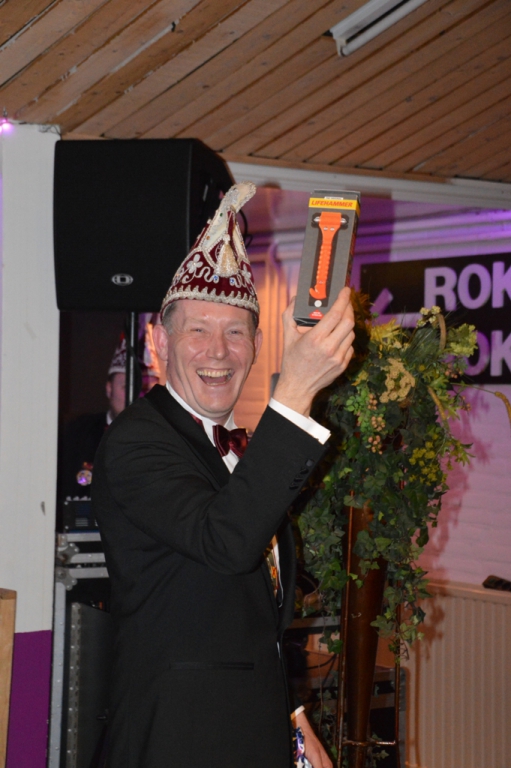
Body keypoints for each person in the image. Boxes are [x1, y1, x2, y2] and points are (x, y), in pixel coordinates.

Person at [92, 182, 355, 768]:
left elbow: (250, 616)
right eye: (198, 330)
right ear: (159, 344)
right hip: (176, 740)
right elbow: (227, 540)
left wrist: (292, 718)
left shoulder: (237, 450)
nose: (219, 350)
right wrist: (295, 392)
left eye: (236, 332)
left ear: (256, 345)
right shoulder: (137, 441)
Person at [59, 322, 160, 502]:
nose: (135, 396)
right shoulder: (77, 434)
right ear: (108, 388)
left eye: (145, 388)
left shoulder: (168, 440)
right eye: (126, 386)